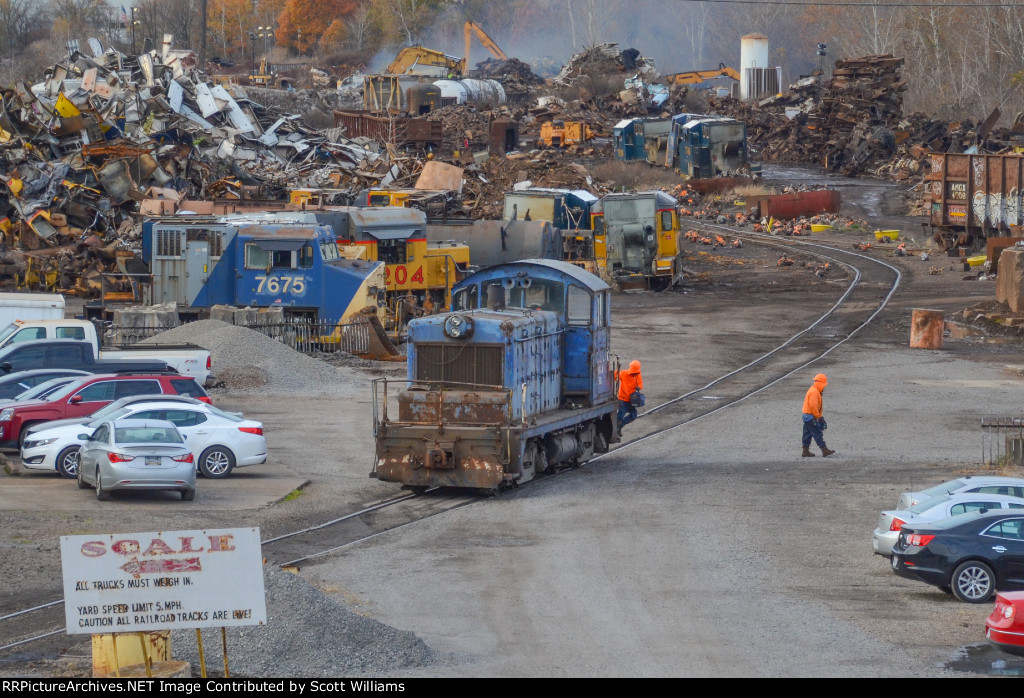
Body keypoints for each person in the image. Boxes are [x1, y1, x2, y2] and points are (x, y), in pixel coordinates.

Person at [802, 373, 835, 457]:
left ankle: (805, 451)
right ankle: (824, 450)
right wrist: (818, 416)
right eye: (823, 385)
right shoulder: (814, 392)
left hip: (806, 416)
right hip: (811, 416)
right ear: (820, 383)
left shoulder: (813, 390)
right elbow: (813, 406)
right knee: (817, 433)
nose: (824, 387)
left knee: (807, 433)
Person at [616, 360, 643, 438]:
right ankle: (614, 430)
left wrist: (639, 387)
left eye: (636, 372)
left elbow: (640, 384)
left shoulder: (638, 375)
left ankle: (619, 427)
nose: (635, 373)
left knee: (633, 415)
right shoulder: (623, 373)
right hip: (623, 400)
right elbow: (614, 375)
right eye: (634, 372)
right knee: (619, 417)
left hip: (631, 401)